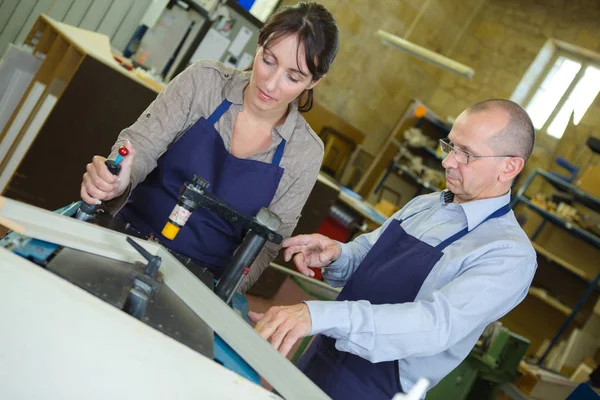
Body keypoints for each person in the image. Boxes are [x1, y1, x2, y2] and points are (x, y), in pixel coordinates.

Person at [249, 99, 538, 399]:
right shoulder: (425, 205)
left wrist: (320, 315)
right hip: (325, 353)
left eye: (466, 153)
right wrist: (338, 254)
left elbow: (433, 325)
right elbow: (367, 253)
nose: (448, 161)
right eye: (450, 146)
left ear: (509, 167)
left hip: (375, 389)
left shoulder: (509, 254)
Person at [80, 3, 339, 293]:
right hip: (127, 236)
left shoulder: (304, 152)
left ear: (314, 81)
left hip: (199, 283)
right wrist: (115, 180)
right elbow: (141, 145)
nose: (270, 83)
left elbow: (265, 246)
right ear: (259, 44)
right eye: (268, 60)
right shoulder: (204, 82)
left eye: (293, 77)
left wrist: (222, 294)